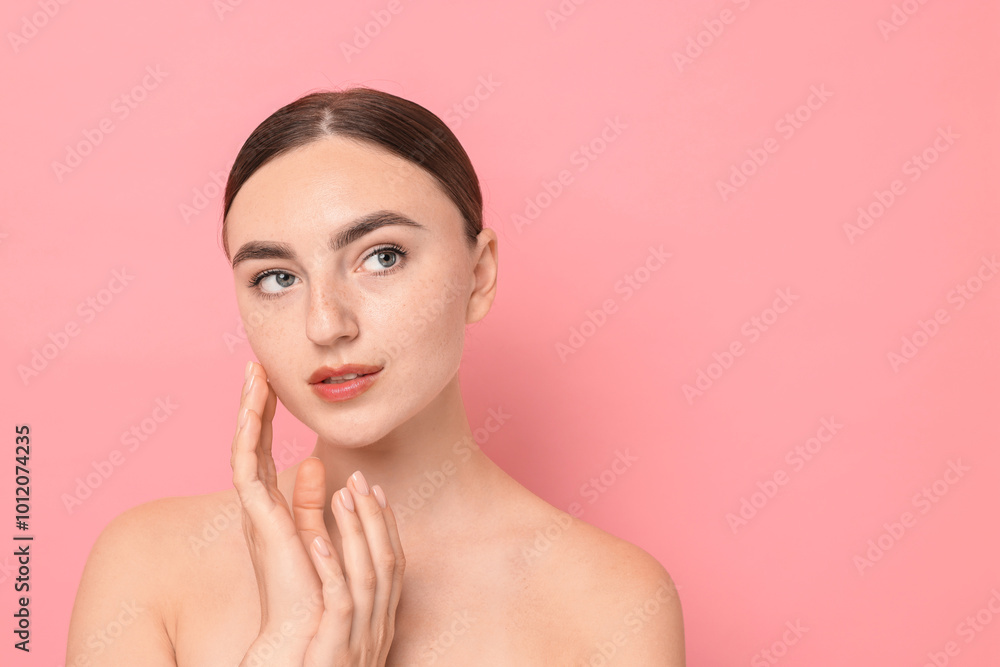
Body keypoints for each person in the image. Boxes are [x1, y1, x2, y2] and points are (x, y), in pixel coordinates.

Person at [66, 87, 686, 666]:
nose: (326, 324)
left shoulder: (610, 601)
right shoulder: (148, 566)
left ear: (479, 274)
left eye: (381, 257)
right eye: (276, 277)